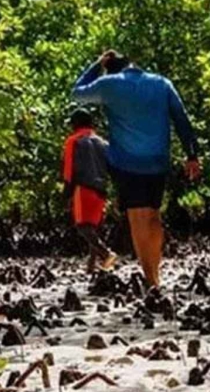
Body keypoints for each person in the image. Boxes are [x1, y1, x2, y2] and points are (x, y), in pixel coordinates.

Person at [71, 49, 202, 289]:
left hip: (126, 163)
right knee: (153, 216)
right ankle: (155, 274)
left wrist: (97, 65)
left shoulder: (109, 84)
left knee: (137, 219)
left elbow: (76, 94)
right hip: (158, 161)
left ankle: (151, 280)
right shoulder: (162, 83)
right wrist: (192, 154)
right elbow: (182, 119)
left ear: (112, 69)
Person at [61, 108, 117, 272]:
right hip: (101, 189)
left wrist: (66, 194)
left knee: (83, 227)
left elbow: (69, 170)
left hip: (83, 188)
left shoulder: (74, 141)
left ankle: (106, 254)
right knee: (93, 227)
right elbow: (112, 169)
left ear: (76, 124)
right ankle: (92, 266)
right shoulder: (103, 143)